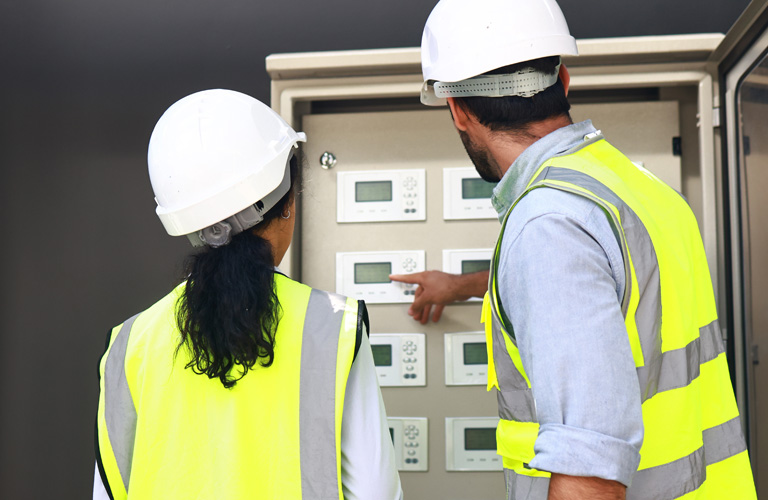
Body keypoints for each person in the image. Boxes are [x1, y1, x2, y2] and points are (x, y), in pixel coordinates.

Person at [391, 1, 757, 498]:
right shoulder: (632, 189)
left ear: (458, 109)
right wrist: (464, 286)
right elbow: (612, 289)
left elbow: (590, 473)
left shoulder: (547, 224)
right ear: (562, 80)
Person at [94, 89, 402, 500]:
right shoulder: (332, 330)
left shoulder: (130, 345)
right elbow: (376, 492)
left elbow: (109, 490)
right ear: (287, 203)